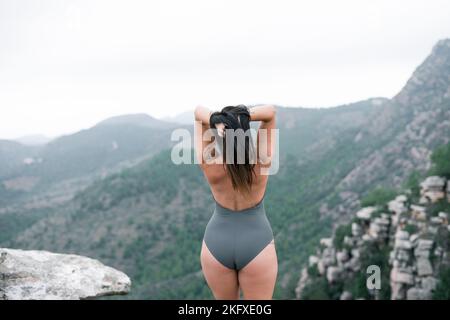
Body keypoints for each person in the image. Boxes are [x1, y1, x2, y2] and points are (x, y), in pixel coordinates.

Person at [194, 104, 278, 300]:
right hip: (257, 243)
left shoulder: (209, 163)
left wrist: (217, 119)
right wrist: (241, 117)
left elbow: (198, 112)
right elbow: (271, 112)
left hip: (216, 244)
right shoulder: (261, 162)